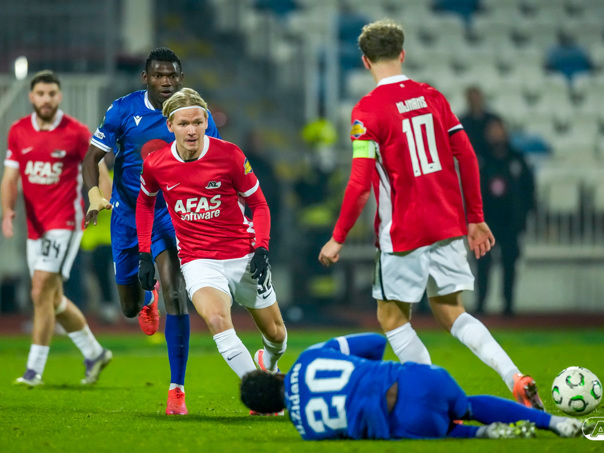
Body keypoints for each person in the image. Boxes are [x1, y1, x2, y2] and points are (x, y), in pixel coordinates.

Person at [318, 20, 544, 410]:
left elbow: (359, 184)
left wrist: (338, 236)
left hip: (402, 231)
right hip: (447, 224)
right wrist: (475, 217)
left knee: (392, 318)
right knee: (452, 311)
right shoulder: (432, 97)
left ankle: (434, 399)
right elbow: (466, 156)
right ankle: (514, 376)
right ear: (402, 54)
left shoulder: (366, 111)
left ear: (365, 61)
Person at [82, 47, 221, 415]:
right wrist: (95, 194)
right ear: (146, 78)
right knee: (128, 308)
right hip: (128, 215)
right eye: (159, 75)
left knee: (176, 292)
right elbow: (91, 158)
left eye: (172, 75)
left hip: (172, 215)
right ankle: (146, 299)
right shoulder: (123, 110)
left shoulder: (194, 114)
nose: (166, 81)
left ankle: (177, 390)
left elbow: (217, 160)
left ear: (181, 77)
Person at [136, 88, 287, 414]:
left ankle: (269, 363)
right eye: (183, 124)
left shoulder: (229, 155)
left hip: (243, 256)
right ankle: (263, 396)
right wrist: (145, 252)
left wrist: (261, 248)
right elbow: (145, 202)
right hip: (198, 260)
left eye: (197, 122)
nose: (191, 130)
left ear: (206, 122)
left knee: (277, 335)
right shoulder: (156, 163)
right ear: (170, 126)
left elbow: (259, 204)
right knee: (217, 319)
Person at [240, 333, 587, 440]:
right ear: (274, 375)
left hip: (412, 424)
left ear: (273, 410)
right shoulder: (309, 358)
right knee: (467, 404)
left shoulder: (307, 430)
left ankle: (483, 434)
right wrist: (371, 372)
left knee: (440, 429)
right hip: (422, 382)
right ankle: (554, 422)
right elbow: (376, 341)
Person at [1, 70, 112, 387]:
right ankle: (95, 353)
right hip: (35, 227)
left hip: (64, 222)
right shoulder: (18, 131)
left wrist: (100, 201)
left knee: (40, 290)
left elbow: (100, 170)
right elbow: (10, 177)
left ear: (59, 96)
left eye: (52, 93)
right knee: (52, 298)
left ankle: (33, 371)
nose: (46, 99)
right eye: (41, 93)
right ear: (31, 97)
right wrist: (7, 211)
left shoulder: (76, 132)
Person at [476, 119, 535, 316]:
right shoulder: (480, 160)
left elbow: (528, 190)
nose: (496, 134)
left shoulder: (517, 159)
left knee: (509, 264)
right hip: (486, 223)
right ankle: (481, 304)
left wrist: (523, 217)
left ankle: (508, 305)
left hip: (510, 222)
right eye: (492, 131)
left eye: (498, 130)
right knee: (483, 265)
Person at [459, 86, 502, 164]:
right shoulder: (462, 122)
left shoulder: (493, 120)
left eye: (476, 98)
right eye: (472, 99)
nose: (475, 101)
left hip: (492, 158)